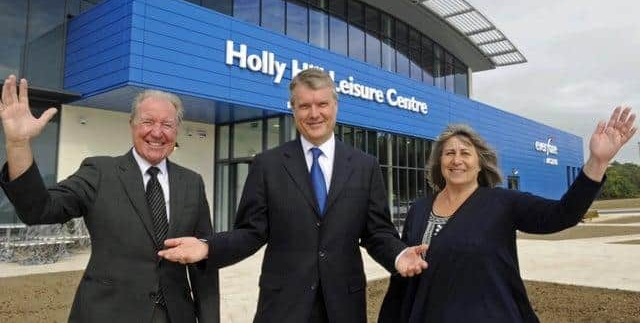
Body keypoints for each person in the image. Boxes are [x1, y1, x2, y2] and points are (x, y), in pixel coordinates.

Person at [157, 68, 429, 322]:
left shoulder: (364, 166)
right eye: (304, 105)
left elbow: (377, 232)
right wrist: (207, 247)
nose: (314, 114)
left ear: (335, 106)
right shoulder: (268, 165)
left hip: (343, 307)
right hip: (282, 306)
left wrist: (398, 255)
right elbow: (251, 232)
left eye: (322, 104)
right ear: (293, 109)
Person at [378, 106, 637, 323]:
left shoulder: (502, 203)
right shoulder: (418, 210)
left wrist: (597, 162)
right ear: (439, 162)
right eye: (449, 153)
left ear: (480, 164)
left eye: (465, 153)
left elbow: (563, 214)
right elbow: (403, 278)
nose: (457, 159)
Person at [0, 75, 220, 323]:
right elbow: (39, 210)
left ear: (176, 130)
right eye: (147, 121)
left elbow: (204, 261)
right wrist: (18, 145)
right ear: (132, 125)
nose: (157, 132)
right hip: (107, 314)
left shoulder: (192, 182)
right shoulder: (99, 172)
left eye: (167, 124)